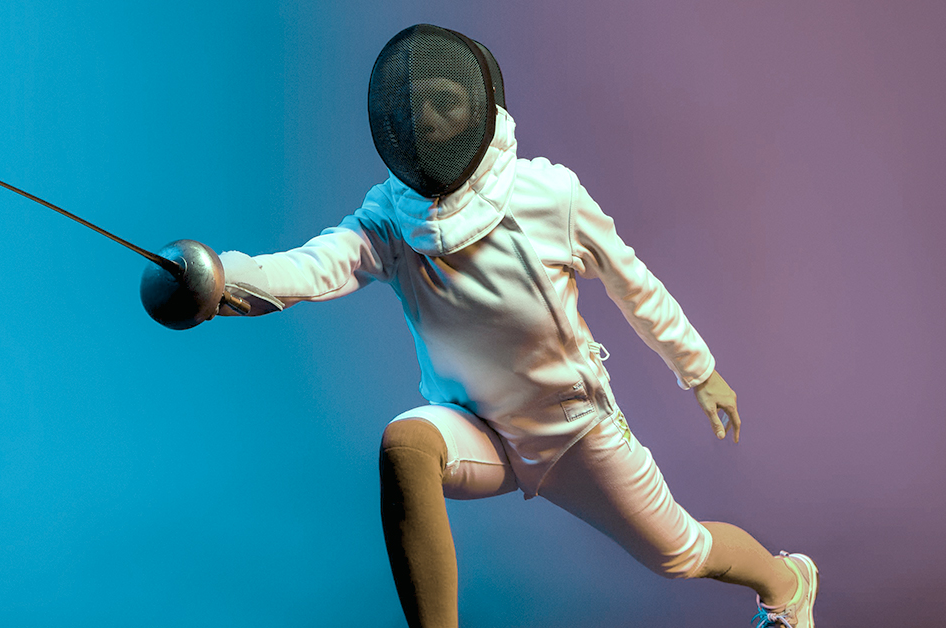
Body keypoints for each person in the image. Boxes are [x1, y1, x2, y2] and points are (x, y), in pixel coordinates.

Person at [213, 24, 818, 628]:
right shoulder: (390, 215)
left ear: (482, 110)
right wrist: (219, 279)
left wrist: (700, 372)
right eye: (413, 108)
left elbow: (633, 285)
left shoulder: (548, 195)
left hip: (571, 430)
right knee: (407, 446)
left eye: (445, 102)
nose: (426, 121)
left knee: (680, 553)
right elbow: (313, 266)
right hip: (477, 426)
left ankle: (787, 582)